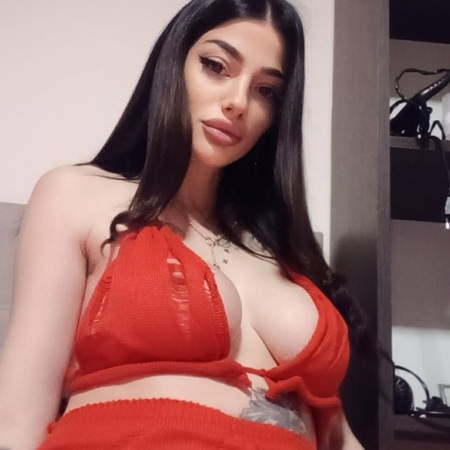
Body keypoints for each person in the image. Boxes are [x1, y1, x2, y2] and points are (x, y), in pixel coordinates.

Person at [0, 0, 367, 448]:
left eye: (266, 91)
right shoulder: (76, 195)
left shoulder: (286, 250)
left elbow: (338, 436)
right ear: (173, 62)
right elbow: (16, 421)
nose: (238, 102)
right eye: (216, 66)